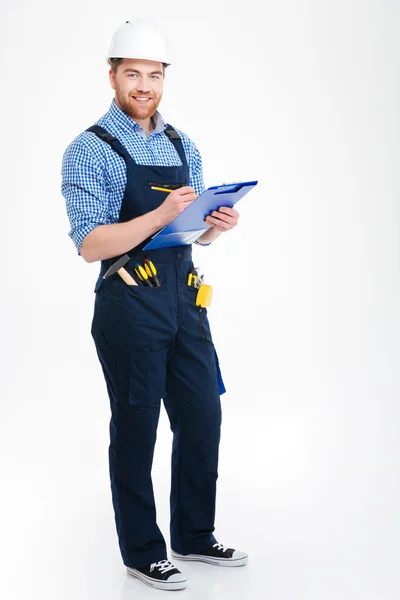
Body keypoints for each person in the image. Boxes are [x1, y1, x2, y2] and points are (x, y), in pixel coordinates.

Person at [61, 18, 247, 591]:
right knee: (137, 427)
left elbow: (186, 232)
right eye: (133, 74)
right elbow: (90, 242)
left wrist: (213, 228)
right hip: (128, 305)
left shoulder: (180, 144)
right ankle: (143, 551)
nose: (145, 86)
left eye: (155, 75)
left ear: (165, 78)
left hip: (184, 302)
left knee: (202, 419)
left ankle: (194, 535)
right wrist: (161, 215)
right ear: (113, 76)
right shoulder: (91, 150)